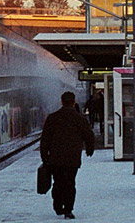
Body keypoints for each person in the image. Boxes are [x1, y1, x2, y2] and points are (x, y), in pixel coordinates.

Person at [40, 91, 95, 219]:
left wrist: (44, 156)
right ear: (74, 102)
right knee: (70, 183)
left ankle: (58, 205)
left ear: (62, 102)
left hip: (55, 158)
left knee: (58, 182)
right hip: (72, 158)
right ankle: (68, 210)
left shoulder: (53, 118)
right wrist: (89, 149)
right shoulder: (79, 118)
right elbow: (89, 135)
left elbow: (45, 139)